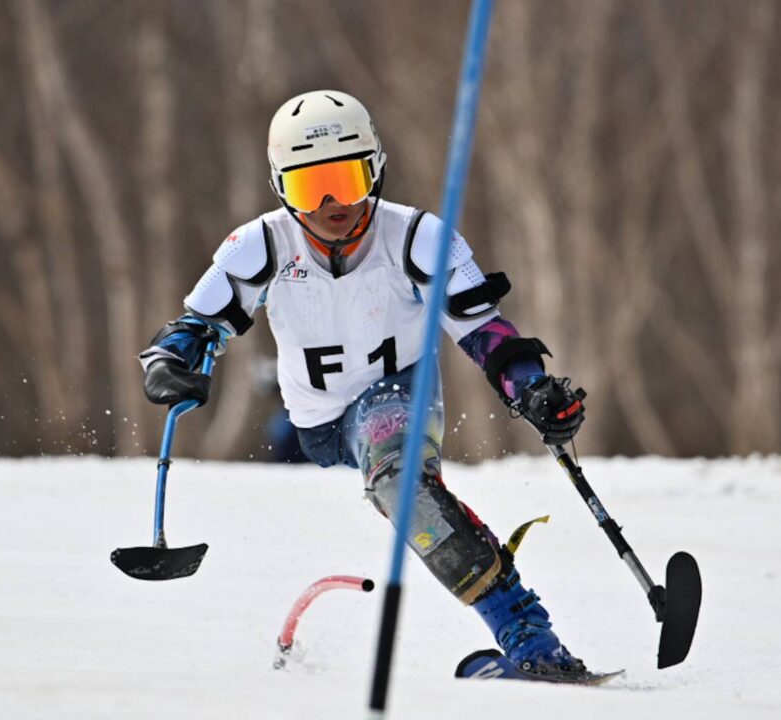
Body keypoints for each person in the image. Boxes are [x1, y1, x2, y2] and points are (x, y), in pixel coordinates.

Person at [138, 90, 589, 679]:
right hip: (319, 425)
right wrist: (170, 361)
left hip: (401, 393)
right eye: (309, 188)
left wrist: (529, 387)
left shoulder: (416, 238)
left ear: (375, 169)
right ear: (280, 188)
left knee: (400, 481)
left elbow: (484, 330)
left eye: (347, 180)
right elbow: (197, 326)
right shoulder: (262, 245)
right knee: (392, 474)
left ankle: (529, 637)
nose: (332, 204)